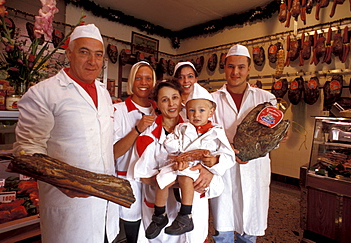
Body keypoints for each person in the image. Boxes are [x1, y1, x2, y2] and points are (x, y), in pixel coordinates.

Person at [13, 24, 119, 243]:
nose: (92, 61)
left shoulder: (104, 93)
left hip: (106, 205)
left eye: (98, 55)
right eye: (84, 52)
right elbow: (27, 150)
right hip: (67, 206)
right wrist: (60, 181)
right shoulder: (44, 93)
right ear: (69, 53)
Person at [133, 79, 224, 242]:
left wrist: (210, 170)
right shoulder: (148, 136)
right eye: (164, 100)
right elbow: (141, 175)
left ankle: (185, 216)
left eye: (174, 97)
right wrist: (180, 178)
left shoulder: (198, 127)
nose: (171, 104)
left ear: (182, 100)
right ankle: (160, 217)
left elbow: (218, 156)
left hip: (193, 204)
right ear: (157, 105)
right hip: (162, 205)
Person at [209, 44, 277, 243]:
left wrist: (280, 136)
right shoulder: (212, 100)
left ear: (248, 69)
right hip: (224, 169)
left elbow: (272, 135)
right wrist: (226, 148)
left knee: (249, 229)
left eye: (240, 67)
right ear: (225, 68)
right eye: (231, 67)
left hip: (254, 169)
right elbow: (205, 135)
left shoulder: (266, 98)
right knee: (224, 228)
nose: (235, 72)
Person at [113, 61, 157, 243]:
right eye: (138, 78)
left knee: (152, 229)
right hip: (127, 180)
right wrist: (137, 130)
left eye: (148, 78)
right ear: (131, 81)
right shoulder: (118, 110)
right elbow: (113, 152)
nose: (143, 82)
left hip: (154, 181)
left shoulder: (161, 108)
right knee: (132, 229)